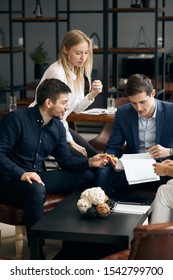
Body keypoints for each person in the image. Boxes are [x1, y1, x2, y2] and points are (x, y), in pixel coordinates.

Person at [0, 78, 108, 257]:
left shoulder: (57, 127)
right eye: (64, 102)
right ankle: (37, 252)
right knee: (36, 189)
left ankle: (73, 239)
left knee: (88, 176)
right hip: (9, 181)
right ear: (49, 103)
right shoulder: (16, 119)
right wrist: (21, 173)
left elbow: (65, 160)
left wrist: (89, 162)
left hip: (38, 177)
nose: (67, 107)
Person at [96, 73, 173, 196]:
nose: (139, 108)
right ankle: (106, 207)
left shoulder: (171, 111)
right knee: (102, 173)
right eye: (134, 103)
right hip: (132, 169)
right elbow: (113, 146)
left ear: (152, 93)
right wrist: (112, 158)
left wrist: (169, 151)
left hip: (161, 169)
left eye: (142, 102)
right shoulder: (123, 112)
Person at [29, 29, 103, 158]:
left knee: (93, 155)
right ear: (65, 50)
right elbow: (57, 114)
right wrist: (72, 142)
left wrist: (93, 94)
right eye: (78, 53)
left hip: (58, 125)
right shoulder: (58, 73)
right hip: (41, 127)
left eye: (86, 53)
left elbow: (77, 108)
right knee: (84, 160)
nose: (83, 58)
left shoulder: (76, 72)